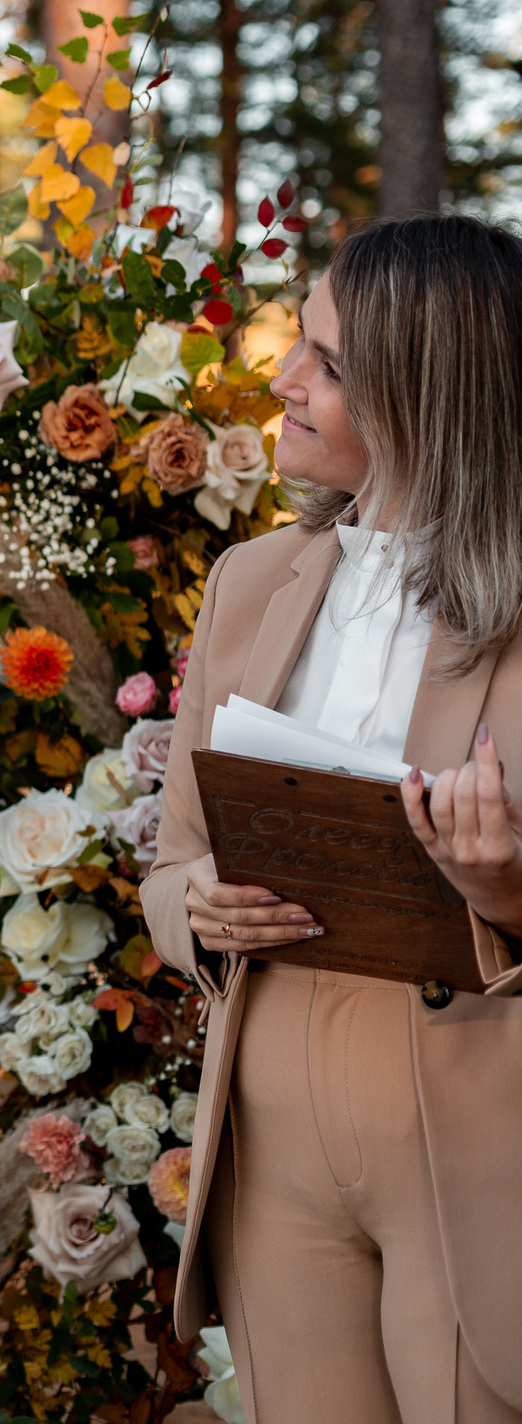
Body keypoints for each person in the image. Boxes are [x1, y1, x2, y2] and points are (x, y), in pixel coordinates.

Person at [143, 213, 522, 1424]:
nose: (281, 381)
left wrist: (504, 888)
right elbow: (171, 859)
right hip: (271, 1125)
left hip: (470, 1128)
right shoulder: (247, 584)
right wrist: (194, 910)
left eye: (329, 364)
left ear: (427, 392)